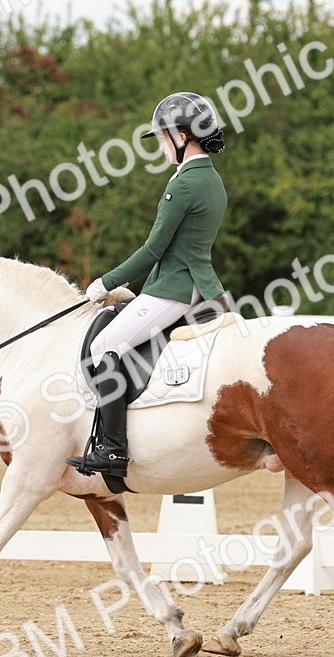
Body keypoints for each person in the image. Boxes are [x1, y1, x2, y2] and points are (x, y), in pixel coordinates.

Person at [67, 92, 228, 478]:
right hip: (197, 284)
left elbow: (153, 250)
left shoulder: (185, 184)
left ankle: (113, 449)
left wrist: (105, 282)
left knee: (105, 343)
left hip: (173, 287)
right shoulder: (211, 179)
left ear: (183, 135)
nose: (159, 146)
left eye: (162, 137)